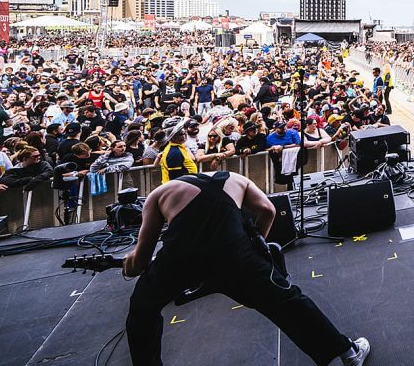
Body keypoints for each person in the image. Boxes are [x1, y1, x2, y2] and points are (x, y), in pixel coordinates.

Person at [121, 169, 371, 365]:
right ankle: (347, 354)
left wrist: (128, 266)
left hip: (180, 258)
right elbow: (268, 210)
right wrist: (255, 245)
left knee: (142, 310)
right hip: (235, 255)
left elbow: (140, 261)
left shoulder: (159, 194)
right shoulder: (236, 178)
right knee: (287, 302)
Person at [156, 119, 198, 183]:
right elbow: (175, 178)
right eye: (181, 134)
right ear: (172, 137)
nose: (184, 136)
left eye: (184, 133)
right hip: (179, 187)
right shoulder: (174, 152)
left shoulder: (179, 147)